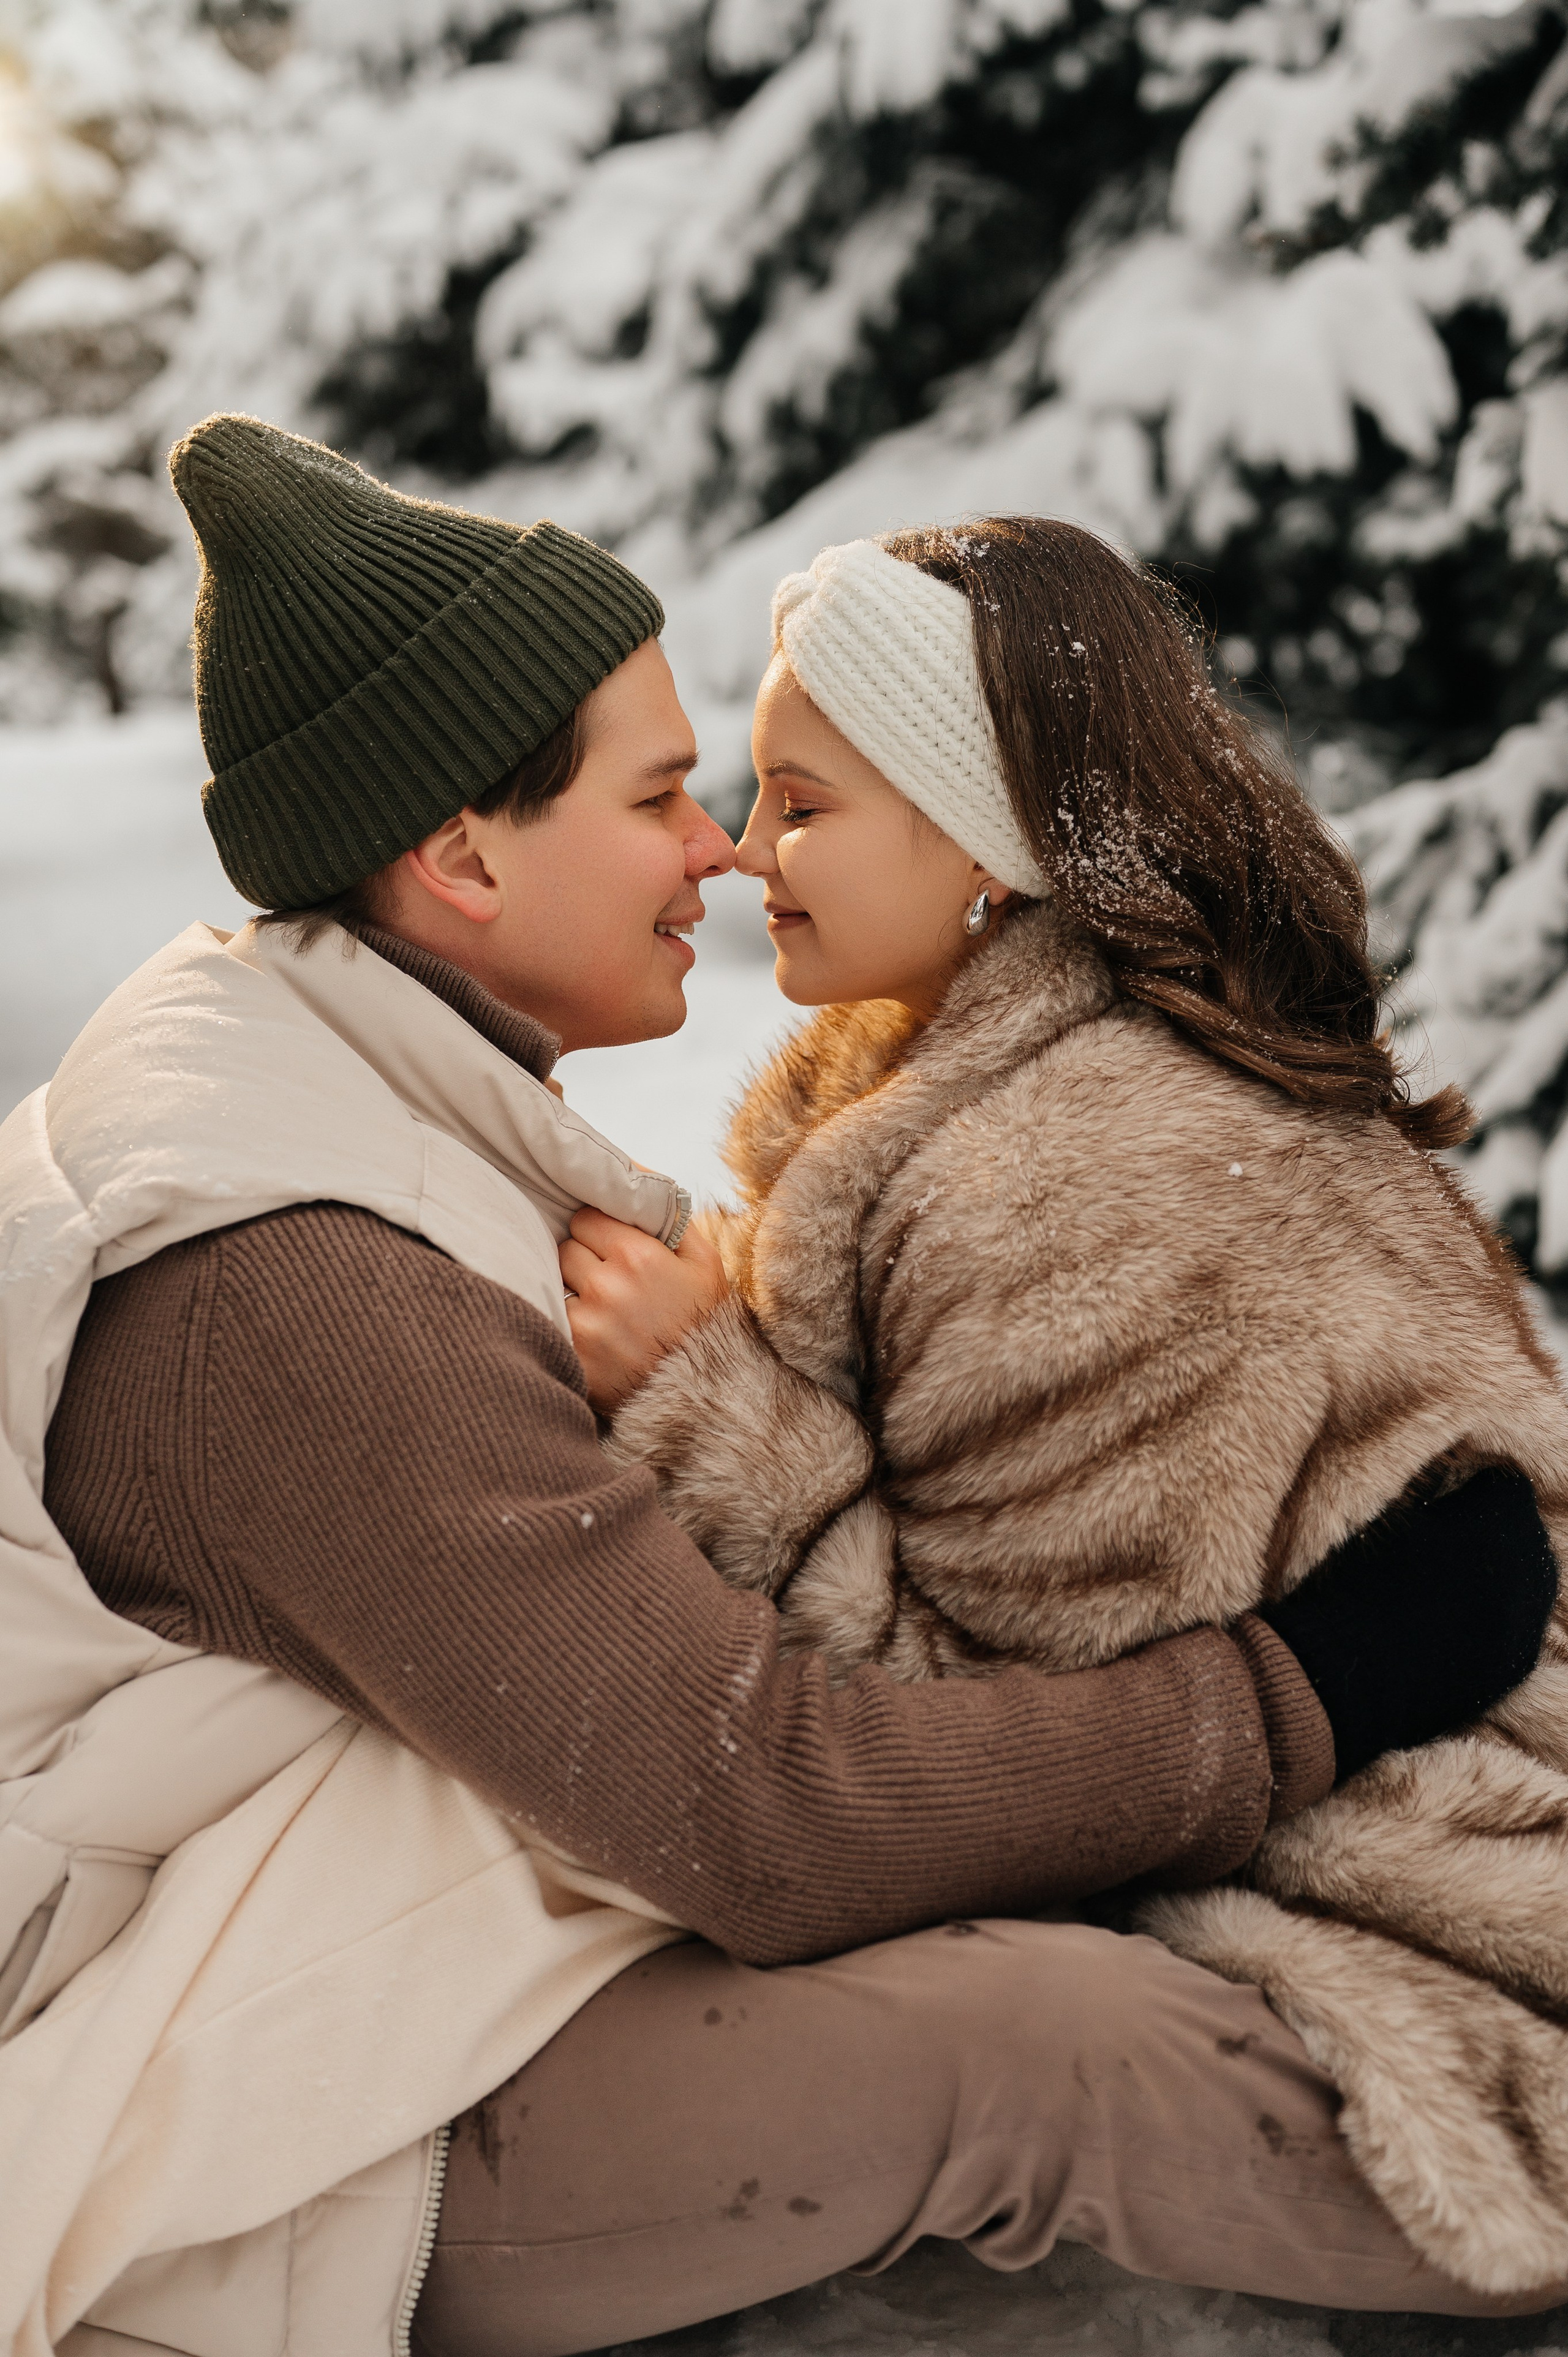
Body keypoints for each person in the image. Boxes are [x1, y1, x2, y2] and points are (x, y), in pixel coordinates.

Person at [0, 424, 1553, 2357]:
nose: (718, 850)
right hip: (287, 2131)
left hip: (414, 1976)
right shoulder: (298, 1282)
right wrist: (1308, 1687)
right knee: (1045, 2052)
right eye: (668, 796)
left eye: (758, 797)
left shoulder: (362, 1102)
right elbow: (774, 1808)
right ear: (463, 852)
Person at [565, 519, 1568, 2325]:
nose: (742, 848)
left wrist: (717, 1418)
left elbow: (1009, 1760)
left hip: (1422, 1930)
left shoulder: (1068, 1178)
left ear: (984, 836)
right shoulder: (1018, 1101)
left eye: (805, 802)